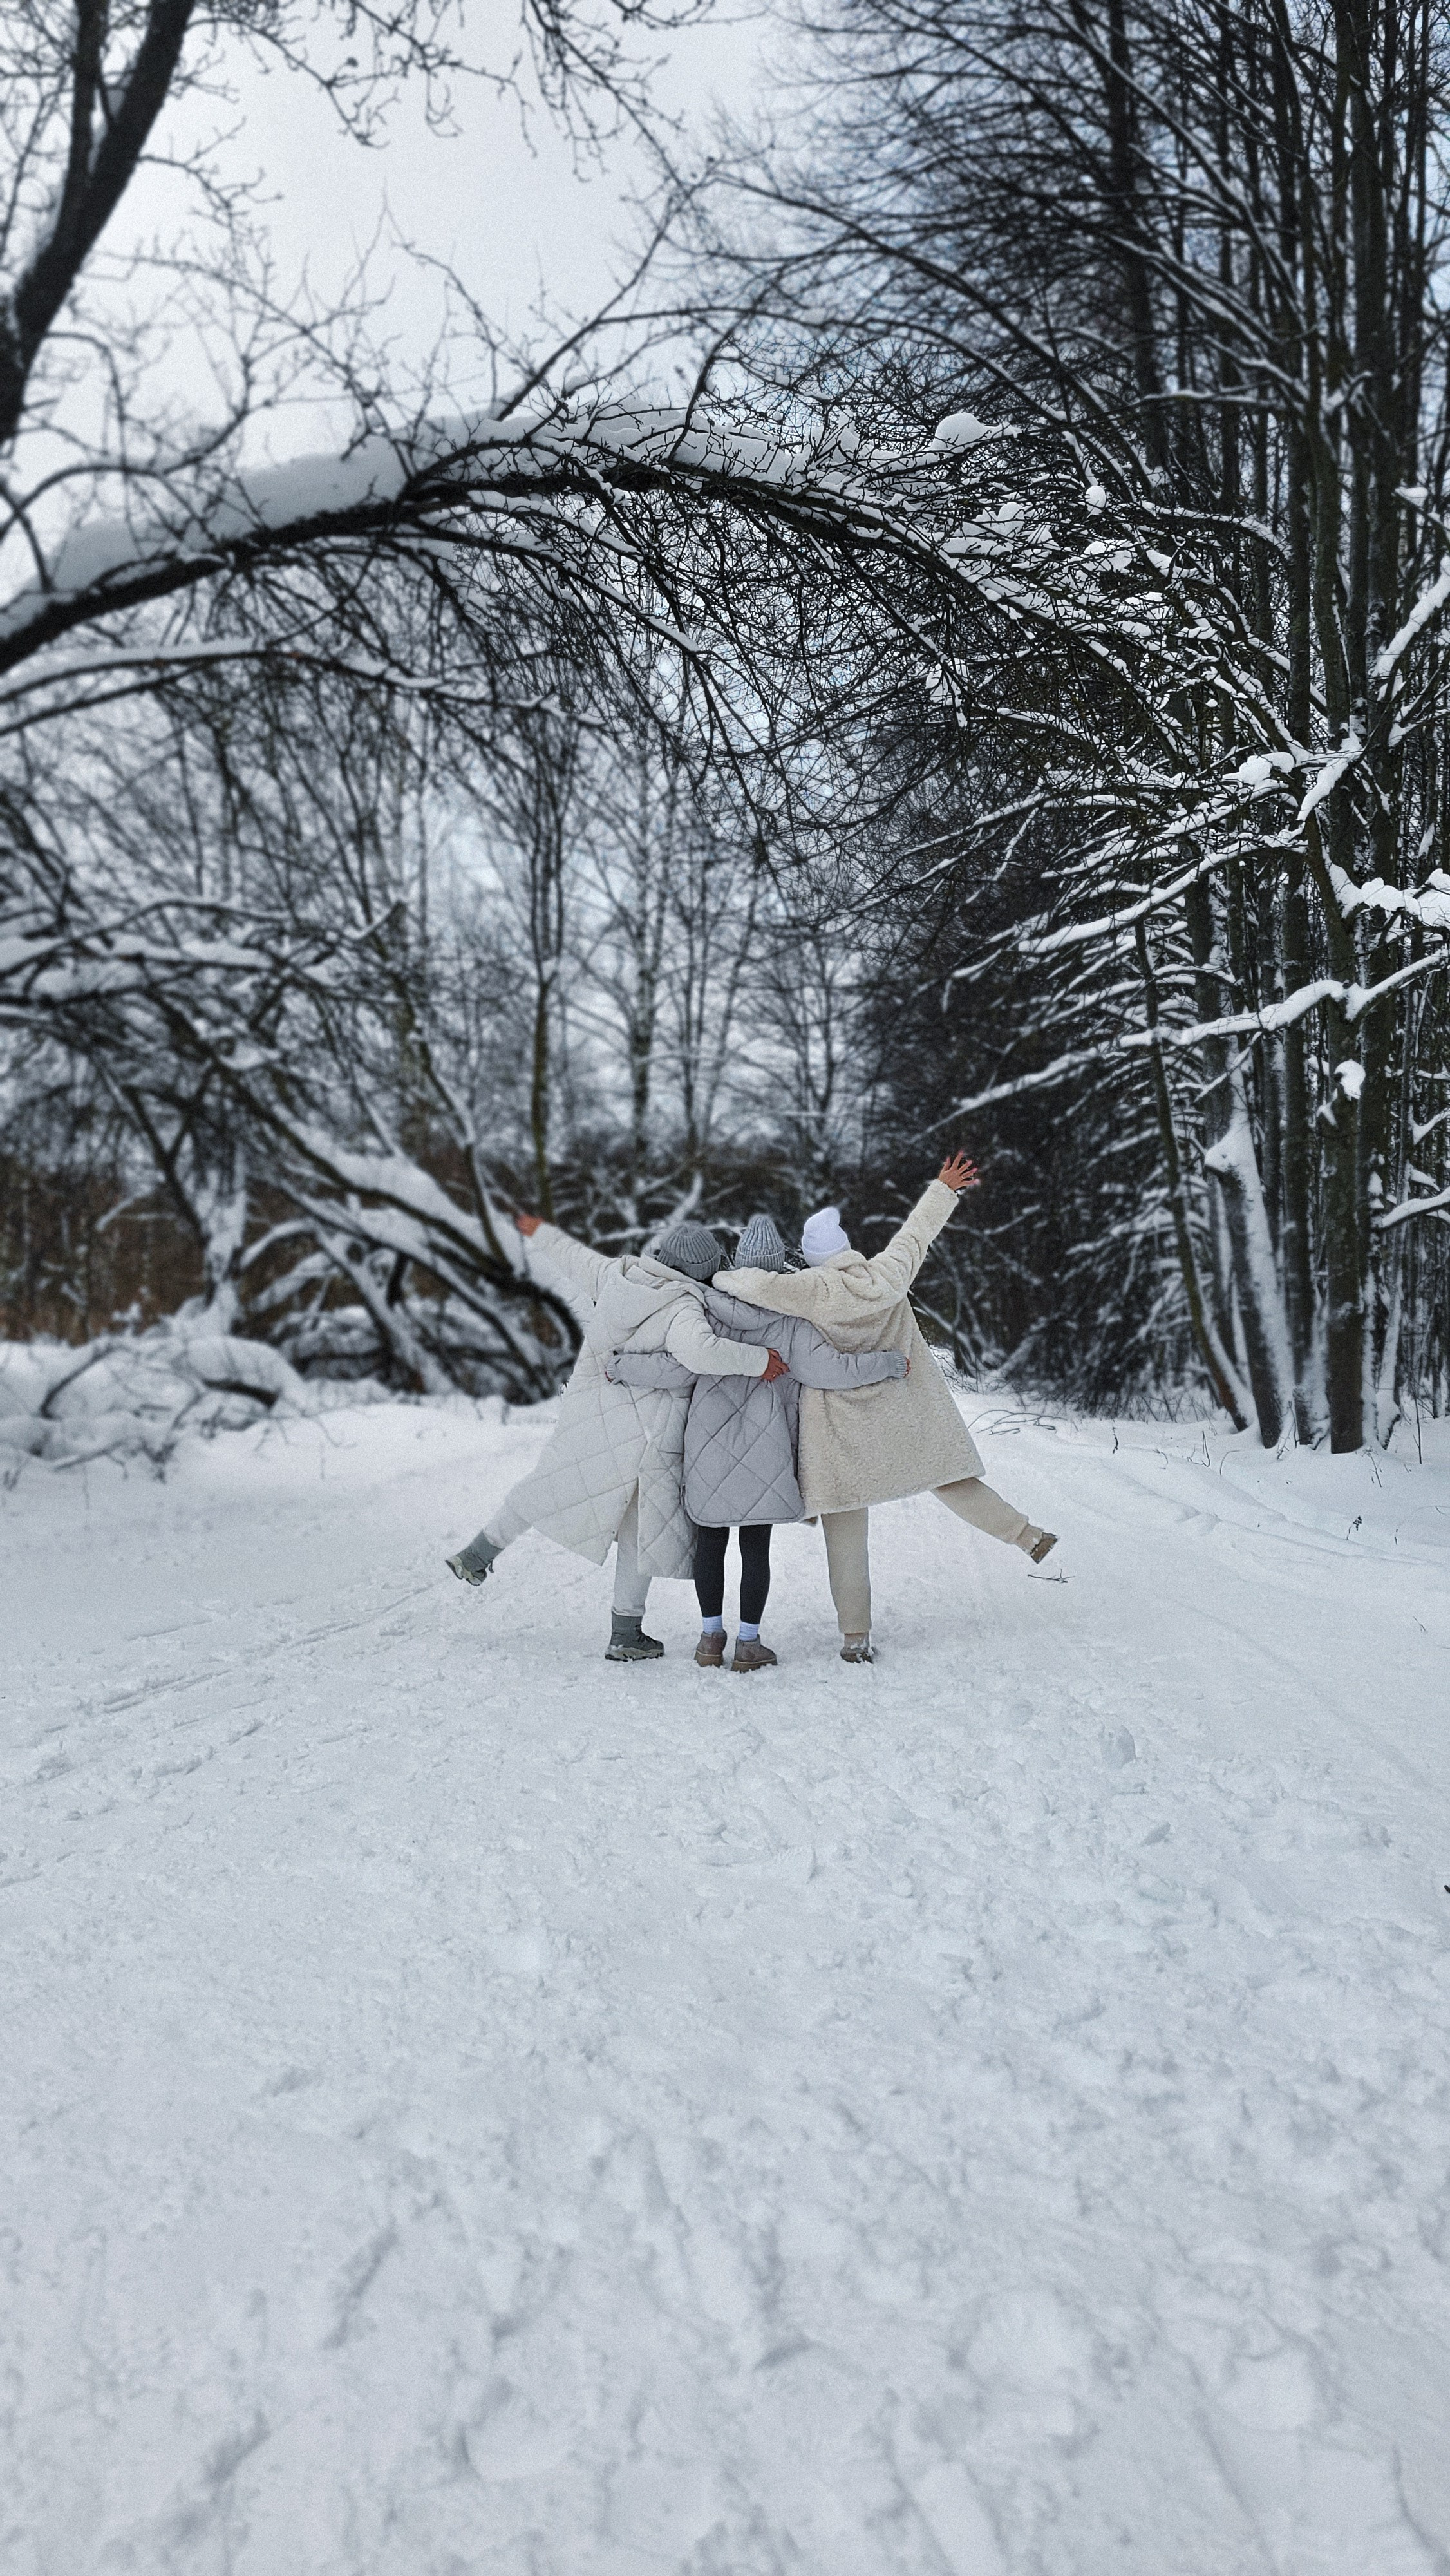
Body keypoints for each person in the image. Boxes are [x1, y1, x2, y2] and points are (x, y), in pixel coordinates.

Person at [720, 1154, 1057, 1662]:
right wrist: (944, 1187)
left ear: (813, 1257)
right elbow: (916, 1234)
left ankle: (856, 1640)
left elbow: (750, 1284)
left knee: (846, 1537)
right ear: (848, 1251)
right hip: (900, 1419)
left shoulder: (811, 1289)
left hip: (838, 1434)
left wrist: (715, 1280)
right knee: (950, 1478)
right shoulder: (886, 1276)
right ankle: (1027, 1535)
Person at [445, 1211, 785, 1662]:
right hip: (647, 1438)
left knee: (549, 1485)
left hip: (594, 1415)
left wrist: (539, 1229)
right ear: (701, 1271)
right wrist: (759, 1360)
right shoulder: (683, 1307)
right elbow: (703, 1352)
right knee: (637, 1533)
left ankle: (479, 1553)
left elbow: (573, 1256)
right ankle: (625, 1632)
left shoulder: (617, 1275)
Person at [608, 1211, 908, 1672]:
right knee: (755, 1548)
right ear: (780, 1268)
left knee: (708, 1544)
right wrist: (886, 1364)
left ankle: (710, 1639)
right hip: (766, 1458)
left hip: (705, 1453)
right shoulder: (793, 1324)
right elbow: (834, 1372)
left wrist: (620, 1366)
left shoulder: (705, 1312)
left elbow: (674, 1367)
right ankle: (749, 1644)